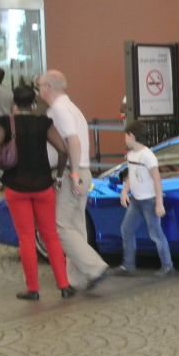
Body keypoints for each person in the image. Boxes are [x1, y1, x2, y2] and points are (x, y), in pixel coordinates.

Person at [0, 84, 74, 300]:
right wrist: (59, 176)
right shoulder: (43, 122)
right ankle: (64, 285)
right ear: (33, 102)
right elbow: (62, 150)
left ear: (14, 102)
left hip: (16, 186)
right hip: (43, 185)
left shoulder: (6, 122)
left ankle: (33, 289)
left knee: (26, 237)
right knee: (50, 235)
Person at [36, 70, 110, 290]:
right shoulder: (71, 107)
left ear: (48, 87)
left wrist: (74, 174)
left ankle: (94, 267)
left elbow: (73, 141)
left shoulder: (59, 109)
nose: (39, 90)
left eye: (40, 85)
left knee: (61, 226)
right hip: (80, 172)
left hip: (71, 172)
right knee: (76, 227)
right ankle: (77, 278)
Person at [109, 121, 174, 277]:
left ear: (131, 135)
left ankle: (167, 265)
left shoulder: (148, 156)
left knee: (156, 233)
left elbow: (157, 180)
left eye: (125, 135)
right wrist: (125, 191)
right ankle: (128, 265)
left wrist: (159, 203)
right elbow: (132, 175)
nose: (124, 138)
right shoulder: (132, 155)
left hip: (149, 200)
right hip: (136, 200)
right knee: (127, 229)